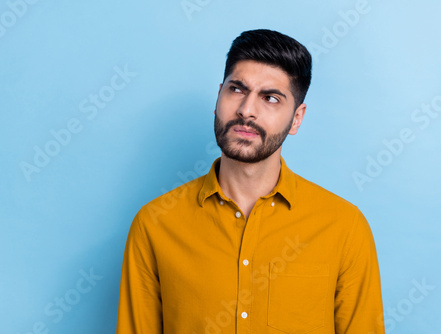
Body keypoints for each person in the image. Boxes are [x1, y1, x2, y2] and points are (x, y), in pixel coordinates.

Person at [116, 29, 385, 334]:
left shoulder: (344, 228)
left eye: (270, 98)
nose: (246, 110)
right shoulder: (154, 224)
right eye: (237, 90)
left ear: (296, 118)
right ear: (218, 96)